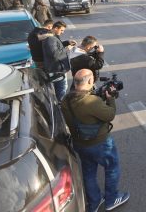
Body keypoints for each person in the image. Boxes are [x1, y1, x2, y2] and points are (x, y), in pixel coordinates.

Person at [61, 69, 130, 212]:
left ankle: (94, 201)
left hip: (79, 143)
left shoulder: (66, 100)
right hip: (100, 144)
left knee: (89, 172)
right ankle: (112, 199)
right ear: (90, 81)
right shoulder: (91, 102)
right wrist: (110, 98)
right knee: (112, 167)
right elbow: (109, 115)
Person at [42, 21, 76, 102]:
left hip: (57, 69)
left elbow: (57, 47)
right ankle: (60, 105)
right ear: (55, 28)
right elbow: (55, 54)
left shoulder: (53, 36)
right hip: (56, 70)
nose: (62, 32)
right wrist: (67, 49)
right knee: (61, 90)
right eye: (61, 30)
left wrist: (67, 43)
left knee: (60, 89)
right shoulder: (50, 39)